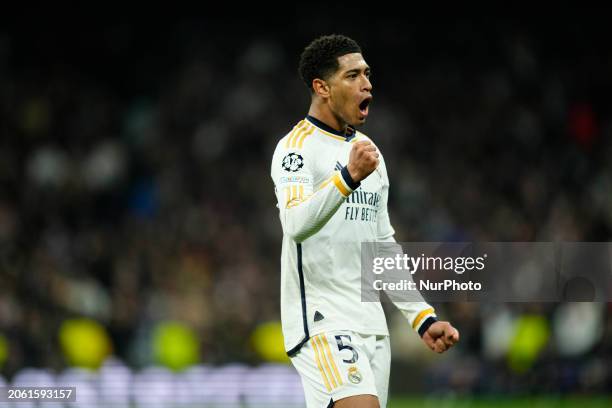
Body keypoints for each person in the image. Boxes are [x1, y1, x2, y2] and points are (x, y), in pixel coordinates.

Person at [270, 34, 459, 408]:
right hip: (322, 321)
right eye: (353, 75)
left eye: (367, 74)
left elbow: (383, 247)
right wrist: (347, 177)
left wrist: (421, 316)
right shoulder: (296, 149)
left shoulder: (370, 154)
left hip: (371, 325)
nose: (367, 84)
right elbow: (295, 223)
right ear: (322, 87)